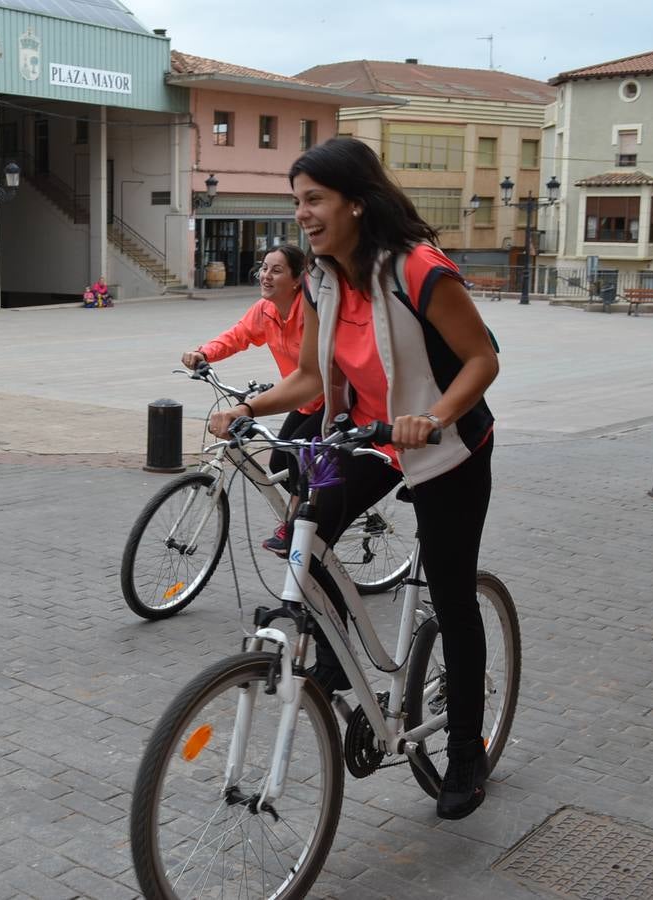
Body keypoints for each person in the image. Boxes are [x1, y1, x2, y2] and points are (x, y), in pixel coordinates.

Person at [209, 137, 500, 821]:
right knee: (296, 541)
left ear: (356, 204)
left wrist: (431, 417)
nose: (302, 214)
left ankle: (465, 750)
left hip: (447, 444)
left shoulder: (419, 269)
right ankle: (341, 673)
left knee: (453, 596)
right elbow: (312, 377)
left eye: (314, 200)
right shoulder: (320, 278)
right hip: (365, 435)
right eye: (297, 201)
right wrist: (248, 408)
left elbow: (482, 359)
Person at [181, 243, 324, 556]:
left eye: (276, 270)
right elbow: (238, 335)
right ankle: (311, 508)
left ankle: (301, 525)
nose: (266, 276)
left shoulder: (310, 311)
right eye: (263, 268)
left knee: (299, 457)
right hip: (301, 399)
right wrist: (204, 353)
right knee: (279, 461)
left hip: (331, 400)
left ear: (297, 279)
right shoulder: (266, 311)